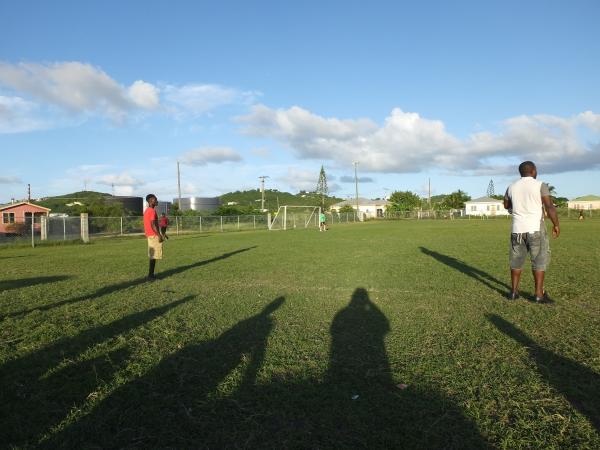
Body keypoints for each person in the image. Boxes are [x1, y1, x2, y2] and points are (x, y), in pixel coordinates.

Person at [504, 161, 560, 303]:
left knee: (516, 262)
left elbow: (506, 205)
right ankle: (538, 294)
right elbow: (549, 206)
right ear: (533, 171)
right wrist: (556, 225)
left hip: (517, 230)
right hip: (535, 228)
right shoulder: (540, 185)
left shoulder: (511, 186)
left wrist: (514, 206)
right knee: (539, 261)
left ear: (521, 172)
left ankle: (514, 292)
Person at [144, 194, 163, 280]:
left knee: (153, 256)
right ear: (151, 200)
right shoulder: (152, 211)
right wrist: (159, 235)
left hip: (150, 235)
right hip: (153, 235)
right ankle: (151, 275)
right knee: (154, 256)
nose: (157, 201)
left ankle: (151, 275)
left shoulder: (147, 210)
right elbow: (153, 225)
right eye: (155, 199)